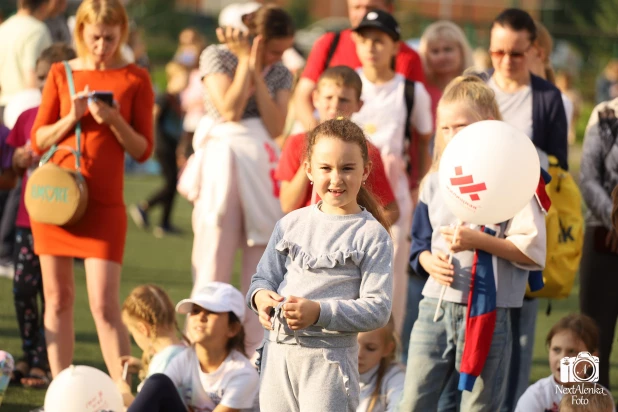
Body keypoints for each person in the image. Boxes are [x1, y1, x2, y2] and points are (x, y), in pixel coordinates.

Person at [398, 75, 547, 411]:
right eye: (445, 127)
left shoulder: (519, 178)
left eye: (462, 127)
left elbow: (533, 250)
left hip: (490, 315)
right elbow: (419, 243)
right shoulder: (435, 181)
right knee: (413, 401)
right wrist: (426, 263)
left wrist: (478, 240)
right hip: (434, 308)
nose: (452, 136)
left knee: (479, 405)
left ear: (489, 125)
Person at [30, 0, 154, 380]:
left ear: (122, 33)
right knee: (57, 299)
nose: (102, 45)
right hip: (57, 201)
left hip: (103, 205)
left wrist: (113, 118)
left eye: (111, 38)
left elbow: (142, 148)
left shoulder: (135, 78)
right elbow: (37, 141)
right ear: (80, 32)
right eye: (95, 37)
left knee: (103, 304)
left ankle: (121, 391)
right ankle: (60, 391)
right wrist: (73, 116)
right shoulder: (60, 73)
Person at [248, 118, 394, 411]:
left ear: (365, 170)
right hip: (277, 356)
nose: (336, 178)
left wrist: (319, 312)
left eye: (347, 168)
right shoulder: (290, 224)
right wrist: (261, 299)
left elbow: (378, 309)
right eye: (326, 168)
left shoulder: (372, 234)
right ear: (308, 170)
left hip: (330, 362)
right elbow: (262, 279)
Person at [191, 4, 294, 357]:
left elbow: (276, 124)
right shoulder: (216, 56)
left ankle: (255, 352)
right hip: (223, 160)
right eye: (275, 49)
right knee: (213, 254)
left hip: (260, 162)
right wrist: (245, 64)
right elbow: (230, 109)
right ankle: (204, 346)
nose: (280, 57)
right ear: (258, 39)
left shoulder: (279, 72)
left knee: (261, 257)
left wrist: (257, 69)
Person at [486, 10, 568, 409]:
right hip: (479, 231)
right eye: (497, 52)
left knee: (520, 336)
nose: (505, 61)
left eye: (516, 54)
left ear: (532, 50)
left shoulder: (547, 98)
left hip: (524, 232)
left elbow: (560, 170)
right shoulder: (476, 88)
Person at [350, 10, 432, 335]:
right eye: (365, 39)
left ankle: (388, 350)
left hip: (393, 192)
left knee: (392, 273)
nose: (371, 47)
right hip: (348, 186)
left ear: (395, 46)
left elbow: (424, 140)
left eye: (380, 40)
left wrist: (416, 185)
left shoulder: (411, 91)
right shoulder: (346, 81)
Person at [7, 42, 76, 390]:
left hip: (62, 219)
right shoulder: (26, 116)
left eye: (51, 79)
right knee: (22, 289)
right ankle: (30, 352)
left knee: (55, 294)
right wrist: (18, 159)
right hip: (27, 217)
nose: (43, 86)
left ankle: (48, 363)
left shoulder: (77, 119)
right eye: (39, 79)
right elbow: (16, 159)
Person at [276, 65, 399, 226]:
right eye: (328, 98)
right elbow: (287, 204)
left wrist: (362, 234)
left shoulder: (366, 150)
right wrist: (312, 156)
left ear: (359, 105)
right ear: (316, 98)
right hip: (306, 235)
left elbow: (391, 209)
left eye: (344, 100)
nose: (335, 106)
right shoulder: (297, 143)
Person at [293, 0, 425, 132]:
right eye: (356, 7)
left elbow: (415, 114)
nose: (363, 13)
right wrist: (321, 139)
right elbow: (302, 96)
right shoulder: (329, 43)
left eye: (371, 7)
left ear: (389, 9)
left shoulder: (408, 57)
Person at [128, 282, 259, 412]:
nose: (201, 316)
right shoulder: (184, 359)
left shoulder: (242, 374)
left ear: (232, 328)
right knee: (158, 382)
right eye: (195, 311)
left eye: (212, 311)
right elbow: (157, 394)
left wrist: (124, 391)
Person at [578, 95, 618, 391]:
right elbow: (587, 177)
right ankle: (579, 407)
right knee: (588, 338)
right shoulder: (605, 114)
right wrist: (614, 217)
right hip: (602, 236)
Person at [130, 61, 188, 237]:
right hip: (163, 144)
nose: (185, 82)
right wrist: (155, 142)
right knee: (171, 183)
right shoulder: (164, 97)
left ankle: (164, 223)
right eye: (182, 78)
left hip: (172, 144)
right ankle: (144, 206)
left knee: (172, 183)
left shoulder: (177, 98)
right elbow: (154, 118)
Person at [115, 284, 187, 408]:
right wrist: (142, 367)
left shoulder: (162, 365)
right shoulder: (184, 351)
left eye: (133, 332)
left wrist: (124, 394)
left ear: (143, 329)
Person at [514, 314, 600, 412]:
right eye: (556, 350)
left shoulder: (601, 399)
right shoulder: (536, 396)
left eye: (572, 351)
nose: (563, 358)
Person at [0, 0, 52, 122]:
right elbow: (32, 73)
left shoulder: (3, 28)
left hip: (2, 106)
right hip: (25, 109)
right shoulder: (38, 30)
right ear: (44, 6)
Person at [417, 20, 474, 128]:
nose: (442, 57)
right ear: (425, 55)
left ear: (462, 51)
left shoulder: (475, 91)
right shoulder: (420, 91)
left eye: (448, 49)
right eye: (435, 51)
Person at [357, 316, 405, 412]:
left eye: (370, 348)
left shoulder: (397, 378)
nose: (359, 354)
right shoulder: (332, 371)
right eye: (353, 345)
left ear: (387, 349)